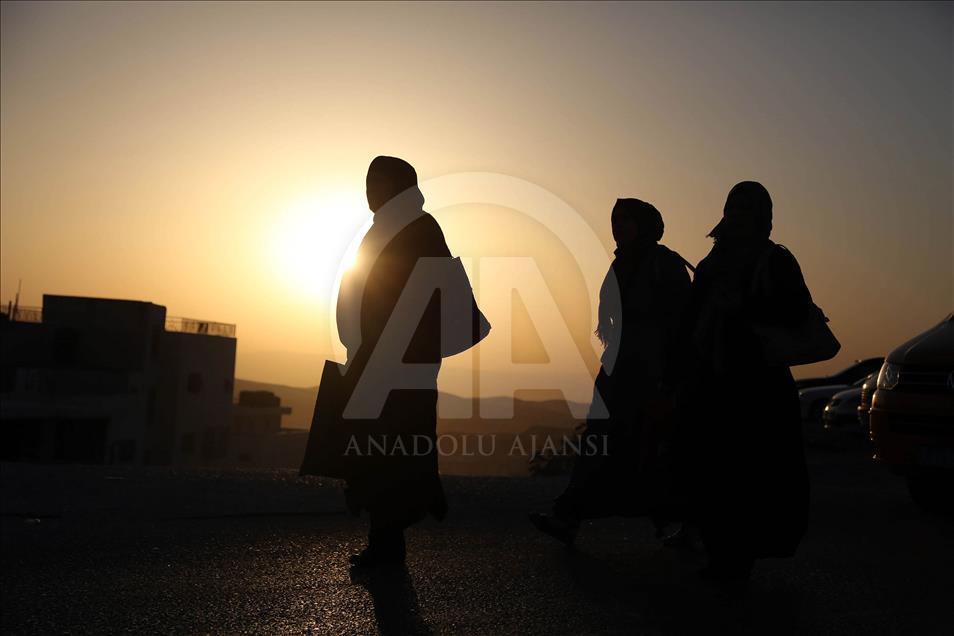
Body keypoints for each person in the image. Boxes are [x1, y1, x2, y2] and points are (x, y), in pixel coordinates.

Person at [529, 198, 692, 544]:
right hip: (620, 371)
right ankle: (568, 516)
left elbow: (682, 325)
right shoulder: (622, 266)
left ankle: (676, 525)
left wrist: (669, 378)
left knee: (653, 445)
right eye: (615, 221)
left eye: (625, 221)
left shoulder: (666, 265)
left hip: (654, 372)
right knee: (600, 443)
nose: (617, 228)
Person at [677, 181, 812, 581]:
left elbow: (796, 311)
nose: (737, 217)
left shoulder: (775, 261)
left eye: (745, 209)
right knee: (714, 475)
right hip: (713, 386)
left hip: (758, 388)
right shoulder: (712, 262)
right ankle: (723, 557)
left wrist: (744, 306)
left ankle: (736, 561)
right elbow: (692, 323)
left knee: (753, 478)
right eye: (733, 208)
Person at [335, 155, 452, 568]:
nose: (370, 192)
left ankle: (388, 545)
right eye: (368, 183)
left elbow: (426, 297)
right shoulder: (387, 228)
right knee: (379, 450)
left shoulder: (418, 229)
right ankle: (386, 541)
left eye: (377, 184)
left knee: (391, 450)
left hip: (402, 364)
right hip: (378, 360)